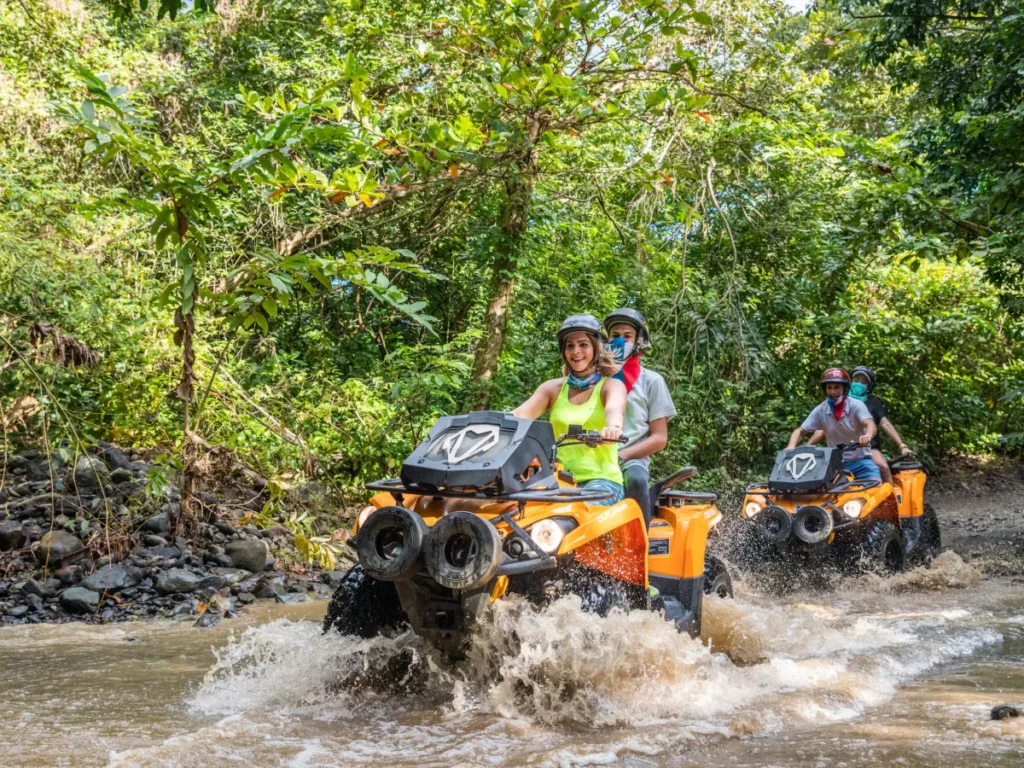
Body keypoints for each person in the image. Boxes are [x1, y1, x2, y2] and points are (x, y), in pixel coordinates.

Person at [512, 314, 627, 505]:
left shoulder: (611, 386)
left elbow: (615, 409)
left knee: (573, 514)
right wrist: (489, 423)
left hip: (601, 481)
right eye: (570, 346)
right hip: (556, 480)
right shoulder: (552, 389)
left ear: (597, 349)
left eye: (583, 344)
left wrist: (613, 427)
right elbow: (519, 415)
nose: (576, 351)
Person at [604, 308, 677, 526]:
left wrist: (622, 455)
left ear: (638, 341)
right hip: (593, 455)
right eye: (614, 335)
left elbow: (659, 438)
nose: (620, 341)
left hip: (631, 457)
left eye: (627, 336)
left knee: (635, 479)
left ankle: (640, 543)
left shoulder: (652, 381)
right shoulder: (594, 380)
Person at [810, 366, 912, 484]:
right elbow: (823, 428)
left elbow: (885, 424)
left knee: (882, 465)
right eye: (856, 380)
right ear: (849, 383)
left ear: (869, 386)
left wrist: (902, 446)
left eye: (864, 382)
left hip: (866, 447)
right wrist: (805, 448)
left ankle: (891, 498)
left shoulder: (873, 403)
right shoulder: (837, 402)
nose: (859, 383)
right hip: (840, 449)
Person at [787, 368, 879, 481]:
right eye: (829, 387)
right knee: (821, 494)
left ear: (844, 388)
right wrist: (791, 447)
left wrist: (868, 435)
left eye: (837, 387)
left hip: (861, 461)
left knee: (876, 488)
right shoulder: (821, 409)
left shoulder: (856, 405)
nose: (833, 392)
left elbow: (870, 424)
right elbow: (800, 431)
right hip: (835, 464)